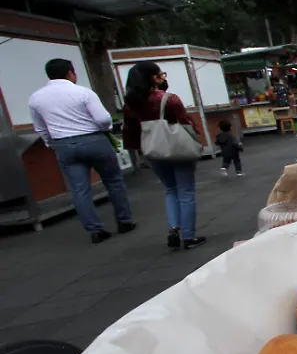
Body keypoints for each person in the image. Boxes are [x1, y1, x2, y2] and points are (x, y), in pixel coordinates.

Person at [28, 58, 135, 243]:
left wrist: (50, 143)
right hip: (94, 140)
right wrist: (105, 130)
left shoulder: (36, 98)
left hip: (64, 145)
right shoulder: (83, 92)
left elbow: (40, 128)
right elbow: (103, 119)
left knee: (80, 190)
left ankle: (96, 231)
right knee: (114, 181)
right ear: (70, 73)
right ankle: (124, 221)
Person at [122, 61, 206, 250]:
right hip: (178, 149)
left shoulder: (131, 104)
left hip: (153, 151)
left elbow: (131, 131)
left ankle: (173, 228)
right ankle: (189, 236)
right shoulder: (169, 99)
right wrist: (198, 142)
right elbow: (186, 123)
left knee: (170, 190)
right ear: (154, 77)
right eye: (161, 74)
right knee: (185, 192)